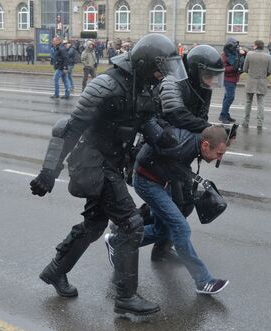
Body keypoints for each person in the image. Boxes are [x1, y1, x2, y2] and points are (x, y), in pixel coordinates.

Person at [30, 33, 188, 316]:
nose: (160, 75)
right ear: (144, 64)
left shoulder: (142, 86)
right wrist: (48, 172)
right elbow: (71, 128)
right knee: (131, 224)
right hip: (92, 163)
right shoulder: (106, 85)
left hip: (112, 165)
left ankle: (56, 270)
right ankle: (125, 297)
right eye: (158, 69)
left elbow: (147, 122)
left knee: (94, 224)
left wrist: (170, 144)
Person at [106, 124, 230, 295]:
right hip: (146, 182)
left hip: (160, 182)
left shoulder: (194, 145)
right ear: (205, 145)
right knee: (181, 227)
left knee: (163, 229)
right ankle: (203, 281)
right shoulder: (181, 145)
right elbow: (151, 145)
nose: (218, 158)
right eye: (218, 153)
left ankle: (117, 241)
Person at [149, 44, 225, 260]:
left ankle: (160, 247)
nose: (211, 81)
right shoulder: (174, 82)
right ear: (195, 70)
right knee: (172, 203)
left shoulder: (202, 87)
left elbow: (199, 120)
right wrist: (211, 130)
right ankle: (126, 232)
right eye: (209, 75)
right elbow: (177, 115)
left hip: (181, 151)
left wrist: (216, 136)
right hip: (160, 150)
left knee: (181, 202)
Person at [242, 40, 271, 131]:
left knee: (248, 102)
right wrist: (262, 76)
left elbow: (245, 69)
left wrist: (252, 74)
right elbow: (269, 71)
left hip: (251, 80)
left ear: (255, 46)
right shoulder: (268, 56)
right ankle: (260, 123)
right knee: (261, 103)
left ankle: (246, 121)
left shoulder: (249, 54)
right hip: (262, 81)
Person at [219, 37, 244, 124]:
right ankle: (223, 116)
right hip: (228, 79)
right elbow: (222, 68)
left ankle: (225, 114)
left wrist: (241, 50)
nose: (235, 47)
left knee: (227, 97)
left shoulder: (234, 53)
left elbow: (245, 54)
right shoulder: (224, 55)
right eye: (234, 45)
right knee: (230, 97)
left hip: (233, 78)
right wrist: (233, 68)